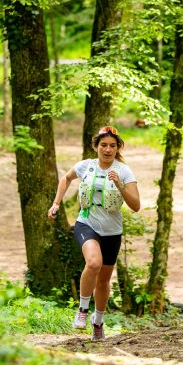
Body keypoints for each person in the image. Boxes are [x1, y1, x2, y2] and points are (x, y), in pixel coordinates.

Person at [47, 126, 141, 341]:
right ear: (96, 146)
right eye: (104, 145)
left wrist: (119, 185)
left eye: (112, 146)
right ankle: (82, 310)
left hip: (112, 231)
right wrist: (56, 203)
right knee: (93, 263)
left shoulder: (124, 171)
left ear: (118, 148)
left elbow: (136, 205)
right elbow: (66, 178)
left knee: (104, 281)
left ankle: (98, 321)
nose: (107, 150)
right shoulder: (85, 166)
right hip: (86, 223)